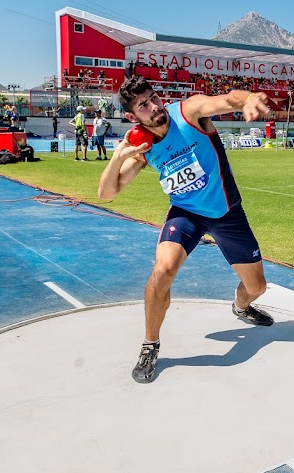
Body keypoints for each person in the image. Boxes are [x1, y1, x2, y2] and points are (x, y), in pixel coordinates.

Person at [97, 75, 272, 384]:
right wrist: (116, 159)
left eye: (153, 98)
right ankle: (150, 345)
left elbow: (226, 99)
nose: (153, 106)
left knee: (257, 288)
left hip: (227, 213)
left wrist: (247, 99)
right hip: (186, 214)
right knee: (162, 271)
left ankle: (241, 306)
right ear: (131, 117)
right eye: (143, 105)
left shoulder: (188, 113)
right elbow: (107, 193)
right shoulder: (142, 146)